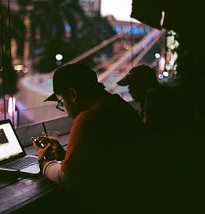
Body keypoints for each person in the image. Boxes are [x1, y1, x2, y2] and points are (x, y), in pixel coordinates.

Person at [33, 63, 153, 213]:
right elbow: (102, 160)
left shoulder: (88, 118)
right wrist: (66, 156)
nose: (65, 111)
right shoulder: (119, 105)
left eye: (61, 102)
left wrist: (44, 163)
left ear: (73, 95)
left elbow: (68, 179)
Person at [117, 64, 192, 142]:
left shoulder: (155, 98)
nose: (129, 91)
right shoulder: (160, 94)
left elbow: (148, 132)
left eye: (131, 86)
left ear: (142, 84)